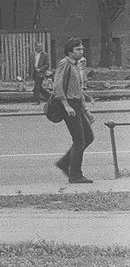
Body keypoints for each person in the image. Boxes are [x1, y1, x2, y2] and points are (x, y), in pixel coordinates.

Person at [53, 37, 95, 183]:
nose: (81, 51)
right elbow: (57, 86)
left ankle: (65, 163)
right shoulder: (65, 63)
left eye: (82, 48)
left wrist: (86, 110)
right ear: (70, 52)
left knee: (88, 137)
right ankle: (75, 175)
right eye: (78, 49)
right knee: (79, 140)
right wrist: (66, 105)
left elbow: (79, 90)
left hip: (76, 104)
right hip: (69, 105)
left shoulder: (76, 65)